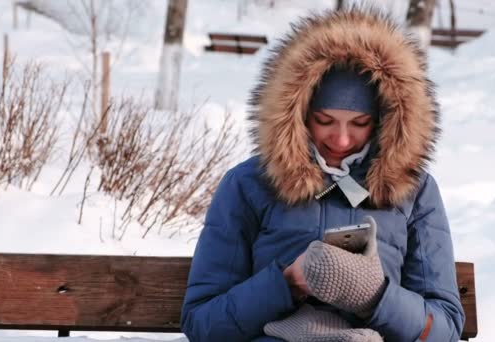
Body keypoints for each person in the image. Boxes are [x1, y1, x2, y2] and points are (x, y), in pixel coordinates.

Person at [181, 7, 465, 342]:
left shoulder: (415, 191)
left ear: (383, 120)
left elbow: (443, 329)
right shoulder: (248, 184)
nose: (342, 139)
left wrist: (376, 297)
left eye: (358, 123)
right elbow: (203, 323)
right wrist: (287, 284)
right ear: (299, 114)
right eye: (325, 121)